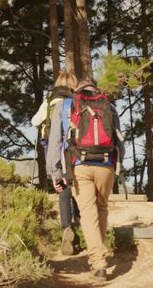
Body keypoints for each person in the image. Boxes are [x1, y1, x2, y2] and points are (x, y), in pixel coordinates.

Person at [46, 78, 125, 282]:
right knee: (102, 207)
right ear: (95, 88)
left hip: (80, 165)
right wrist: (116, 167)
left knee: (88, 213)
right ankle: (99, 252)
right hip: (106, 165)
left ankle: (99, 265)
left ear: (77, 90)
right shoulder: (109, 105)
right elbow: (119, 141)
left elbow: (55, 142)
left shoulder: (66, 105)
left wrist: (55, 173)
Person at [31, 72, 80, 256]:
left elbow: (34, 121)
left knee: (63, 187)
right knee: (78, 184)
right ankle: (80, 224)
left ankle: (66, 227)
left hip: (54, 148)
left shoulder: (49, 99)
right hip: (75, 149)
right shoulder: (77, 99)